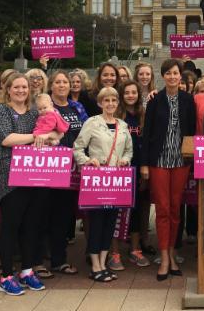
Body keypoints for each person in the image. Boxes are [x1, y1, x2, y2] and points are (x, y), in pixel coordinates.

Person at [0, 72, 57, 296]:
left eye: (24, 88)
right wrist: (37, 137)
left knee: (31, 226)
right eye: (16, 87)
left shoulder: (34, 112)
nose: (20, 91)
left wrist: (49, 135)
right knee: (11, 226)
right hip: (9, 178)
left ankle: (27, 271)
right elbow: (6, 138)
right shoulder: (0, 110)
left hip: (34, 175)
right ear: (7, 89)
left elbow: (55, 131)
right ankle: (7, 275)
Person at [140, 59, 196, 280]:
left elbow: (191, 131)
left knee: (175, 209)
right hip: (159, 161)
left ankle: (173, 253)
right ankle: (164, 257)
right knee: (162, 209)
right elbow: (147, 134)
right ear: (163, 76)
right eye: (168, 73)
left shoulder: (188, 100)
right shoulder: (155, 100)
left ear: (180, 76)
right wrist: (144, 163)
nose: (172, 77)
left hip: (180, 161)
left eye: (176, 73)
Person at [73, 86, 133, 282]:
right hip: (97, 180)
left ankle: (103, 261)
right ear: (100, 103)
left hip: (116, 181)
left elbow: (129, 151)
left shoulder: (122, 125)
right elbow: (78, 148)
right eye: (106, 101)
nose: (110, 104)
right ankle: (95, 266)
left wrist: (125, 159)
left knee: (110, 222)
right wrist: (88, 161)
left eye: (113, 101)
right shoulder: (92, 122)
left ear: (118, 103)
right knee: (97, 222)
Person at [40, 70, 86, 276]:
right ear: (51, 86)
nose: (61, 85)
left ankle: (59, 260)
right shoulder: (44, 107)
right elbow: (37, 132)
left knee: (63, 216)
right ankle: (39, 261)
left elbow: (87, 131)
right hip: (49, 169)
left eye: (64, 82)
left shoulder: (77, 107)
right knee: (43, 215)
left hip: (72, 169)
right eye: (57, 82)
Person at [107, 80, 150, 269]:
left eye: (134, 92)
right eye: (127, 93)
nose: (131, 95)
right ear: (121, 96)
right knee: (116, 212)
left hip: (139, 169)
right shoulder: (116, 116)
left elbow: (148, 143)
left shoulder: (143, 115)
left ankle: (134, 250)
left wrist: (145, 168)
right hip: (119, 170)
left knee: (136, 211)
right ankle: (114, 253)